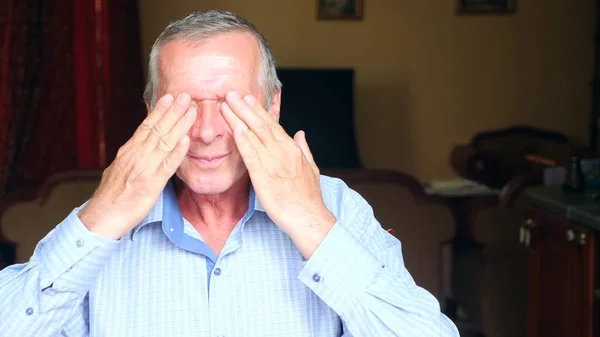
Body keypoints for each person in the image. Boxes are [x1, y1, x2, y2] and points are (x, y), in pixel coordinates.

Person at [0, 10, 459, 337]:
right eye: (178, 104)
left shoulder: (334, 207)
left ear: (272, 105)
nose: (205, 131)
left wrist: (308, 222)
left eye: (230, 104)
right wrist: (101, 218)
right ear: (148, 112)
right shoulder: (101, 220)